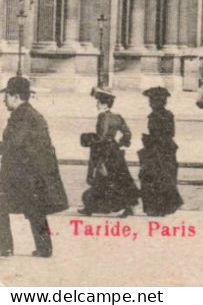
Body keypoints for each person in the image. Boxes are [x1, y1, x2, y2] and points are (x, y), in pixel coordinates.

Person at [0, 76, 68, 258]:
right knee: (34, 209)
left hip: (23, 174)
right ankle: (44, 248)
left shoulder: (22, 116)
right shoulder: (30, 114)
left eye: (6, 96)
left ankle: (4, 247)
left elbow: (16, 143)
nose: (3, 100)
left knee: (4, 204)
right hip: (32, 174)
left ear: (15, 96)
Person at [80, 89, 139, 217]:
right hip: (115, 151)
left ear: (105, 105)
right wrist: (120, 143)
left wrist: (89, 138)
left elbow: (101, 136)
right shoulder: (117, 117)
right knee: (118, 179)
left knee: (102, 179)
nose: (97, 105)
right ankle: (128, 207)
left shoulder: (103, 116)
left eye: (99, 102)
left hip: (103, 151)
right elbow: (127, 133)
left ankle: (89, 207)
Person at [137, 87, 183, 216]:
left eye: (151, 100)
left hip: (157, 150)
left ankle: (155, 208)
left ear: (156, 102)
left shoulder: (154, 116)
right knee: (165, 177)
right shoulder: (169, 114)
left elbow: (158, 134)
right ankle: (164, 207)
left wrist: (148, 139)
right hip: (167, 149)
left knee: (152, 177)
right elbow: (171, 133)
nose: (150, 103)